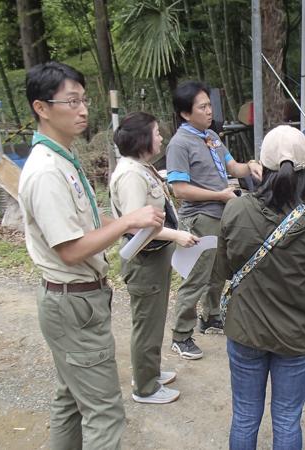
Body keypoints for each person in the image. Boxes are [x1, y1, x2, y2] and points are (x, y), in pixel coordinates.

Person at [18, 62, 165, 449]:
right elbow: (70, 251)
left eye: (84, 100)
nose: (83, 110)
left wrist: (113, 222)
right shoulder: (47, 171)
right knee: (105, 414)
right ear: (42, 108)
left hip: (73, 300)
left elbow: (79, 224)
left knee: (70, 397)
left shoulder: (64, 158)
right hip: (73, 302)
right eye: (71, 101)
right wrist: (127, 220)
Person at [215, 125, 305, 449]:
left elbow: (225, 270)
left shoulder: (236, 209)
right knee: (286, 418)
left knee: (243, 414)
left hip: (244, 330)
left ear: (262, 168)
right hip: (295, 336)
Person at [166, 81, 263, 359]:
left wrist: (252, 165)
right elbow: (180, 190)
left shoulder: (211, 135)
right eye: (203, 107)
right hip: (200, 217)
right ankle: (180, 335)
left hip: (222, 212)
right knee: (196, 275)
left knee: (218, 270)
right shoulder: (179, 144)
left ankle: (210, 317)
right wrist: (219, 196)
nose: (210, 111)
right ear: (186, 114)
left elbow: (233, 167)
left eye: (209, 105)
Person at [110, 111, 200, 404]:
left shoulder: (143, 167)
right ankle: (145, 387)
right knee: (147, 323)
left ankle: (150, 370)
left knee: (154, 318)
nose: (161, 136)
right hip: (143, 260)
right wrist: (176, 235)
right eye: (156, 132)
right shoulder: (130, 175)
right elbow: (135, 225)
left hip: (155, 256)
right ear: (142, 139)